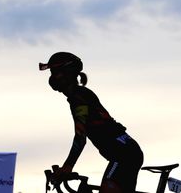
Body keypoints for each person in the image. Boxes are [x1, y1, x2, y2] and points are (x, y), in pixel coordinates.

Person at [40, 52, 144, 193]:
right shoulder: (81, 94)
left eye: (54, 72)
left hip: (123, 155)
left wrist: (68, 166)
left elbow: (80, 138)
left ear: (68, 73)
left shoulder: (79, 98)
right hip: (127, 151)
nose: (52, 78)